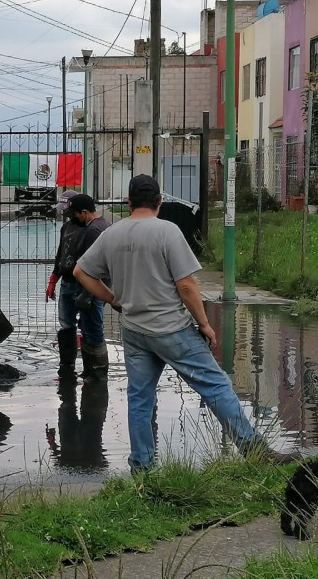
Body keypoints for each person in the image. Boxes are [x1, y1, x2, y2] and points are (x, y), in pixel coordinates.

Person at [73, 174, 300, 471]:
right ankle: (256, 453)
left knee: (140, 399)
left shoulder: (112, 234)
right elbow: (188, 286)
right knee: (217, 386)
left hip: (134, 331)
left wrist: (113, 299)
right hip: (172, 330)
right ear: (159, 202)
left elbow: (81, 272)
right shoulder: (167, 231)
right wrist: (204, 323)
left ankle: (142, 467)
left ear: (129, 203)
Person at [46, 192, 110, 381]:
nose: (68, 216)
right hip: (68, 282)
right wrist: (53, 280)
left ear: (82, 212)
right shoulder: (68, 227)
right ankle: (68, 366)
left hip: (88, 285)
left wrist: (87, 293)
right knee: (67, 324)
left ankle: (96, 371)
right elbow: (61, 255)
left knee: (91, 328)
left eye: (71, 212)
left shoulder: (94, 230)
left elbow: (96, 267)